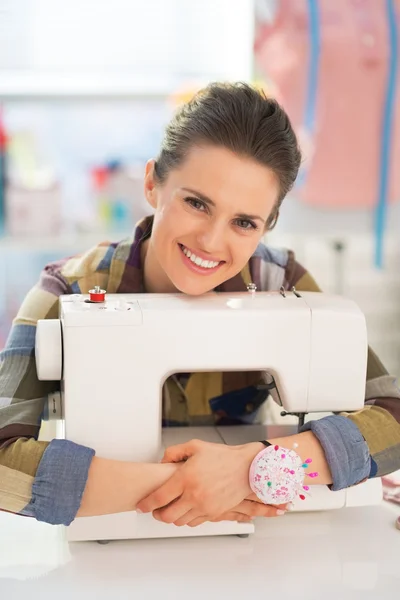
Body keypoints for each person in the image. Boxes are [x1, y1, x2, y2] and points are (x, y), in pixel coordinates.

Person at [0, 83, 399, 529]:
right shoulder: (63, 290)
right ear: (152, 184)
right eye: (196, 203)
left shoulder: (281, 282)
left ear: (268, 226)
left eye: (244, 222)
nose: (211, 241)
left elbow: (394, 414)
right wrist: (199, 485)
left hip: (252, 541)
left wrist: (253, 467)